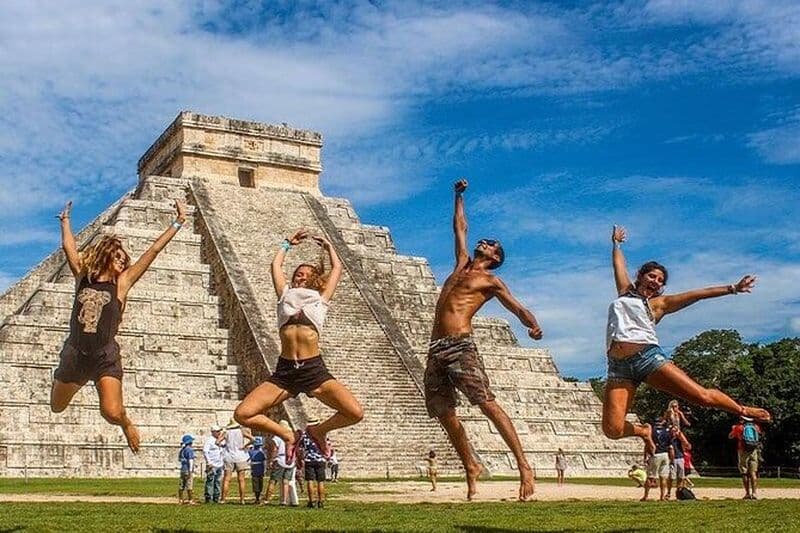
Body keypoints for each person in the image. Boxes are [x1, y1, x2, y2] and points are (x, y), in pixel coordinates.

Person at [602, 225, 771, 453]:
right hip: (618, 368)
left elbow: (697, 295)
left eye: (660, 280)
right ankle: (644, 430)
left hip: (648, 359)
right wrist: (617, 244)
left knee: (701, 396)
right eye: (652, 276)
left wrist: (732, 288)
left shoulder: (659, 304)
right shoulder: (625, 293)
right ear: (641, 276)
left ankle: (742, 409)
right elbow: (618, 265)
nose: (655, 281)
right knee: (612, 430)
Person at [424, 179, 543, 502]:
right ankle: (470, 465)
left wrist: (532, 327)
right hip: (435, 349)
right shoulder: (461, 263)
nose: (484, 241)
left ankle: (524, 466)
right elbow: (459, 227)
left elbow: (517, 306)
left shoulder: (490, 281)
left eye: (491, 244)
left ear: (496, 257)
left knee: (487, 404)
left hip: (460, 346)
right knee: (444, 413)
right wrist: (458, 196)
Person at [51, 199, 187, 452]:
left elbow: (153, 252)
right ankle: (69, 378)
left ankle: (127, 423)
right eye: (118, 257)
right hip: (75, 354)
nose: (123, 262)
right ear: (105, 256)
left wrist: (178, 222)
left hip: (105, 356)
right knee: (56, 406)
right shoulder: (83, 277)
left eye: (124, 259)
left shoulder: (122, 284)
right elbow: (69, 248)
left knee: (111, 412)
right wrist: (65, 222)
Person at [233, 230, 364, 457]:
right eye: (298, 274)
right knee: (243, 413)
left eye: (306, 274)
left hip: (313, 369)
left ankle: (318, 431)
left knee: (355, 412)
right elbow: (275, 266)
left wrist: (328, 247)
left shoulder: (321, 299)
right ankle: (289, 435)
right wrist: (287, 244)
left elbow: (337, 269)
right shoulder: (285, 295)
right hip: (285, 372)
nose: (300, 277)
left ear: (315, 280)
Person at [729, 416, 762, 499]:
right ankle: (754, 493)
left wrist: (733, 429)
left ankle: (747, 493)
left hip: (743, 450)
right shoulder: (756, 427)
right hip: (753, 450)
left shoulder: (739, 427)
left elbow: (730, 436)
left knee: (744, 472)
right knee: (753, 472)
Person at [220, 419, 252, 504]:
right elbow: (253, 439)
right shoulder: (242, 431)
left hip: (229, 456)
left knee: (227, 479)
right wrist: (245, 446)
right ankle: (242, 499)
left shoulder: (226, 432)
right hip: (240, 456)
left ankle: (223, 499)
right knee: (241, 479)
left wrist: (224, 446)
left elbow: (217, 441)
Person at [265, 420, 296, 505]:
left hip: (280, 459)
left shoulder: (277, 438)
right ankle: (284, 500)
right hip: (290, 461)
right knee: (286, 481)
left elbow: (274, 450)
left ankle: (267, 499)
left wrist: (271, 460)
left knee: (273, 480)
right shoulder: (292, 437)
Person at [298, 422, 328, 508]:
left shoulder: (305, 435)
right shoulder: (322, 434)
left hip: (309, 460)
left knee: (310, 480)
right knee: (320, 481)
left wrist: (300, 459)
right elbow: (327, 445)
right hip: (320, 459)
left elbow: (300, 448)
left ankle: (312, 501)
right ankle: (321, 501)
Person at [642, 419, 671, 501]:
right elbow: (670, 446)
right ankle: (662, 496)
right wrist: (671, 459)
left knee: (650, 476)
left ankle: (646, 496)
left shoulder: (651, 432)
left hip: (655, 454)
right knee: (663, 477)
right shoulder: (666, 432)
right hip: (665, 454)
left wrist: (645, 457)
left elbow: (647, 445)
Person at [667, 424, 691, 499]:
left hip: (680, 458)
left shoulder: (679, 440)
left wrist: (681, 437)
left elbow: (688, 446)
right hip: (672, 459)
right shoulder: (668, 439)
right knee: (671, 477)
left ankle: (679, 492)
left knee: (681, 477)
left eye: (676, 431)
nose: (675, 432)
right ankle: (668, 492)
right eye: (673, 431)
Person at [203, 424, 225, 503]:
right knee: (210, 481)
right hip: (212, 464)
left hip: (219, 464)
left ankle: (216, 497)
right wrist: (209, 462)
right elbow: (205, 451)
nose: (219, 433)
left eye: (220, 431)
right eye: (218, 431)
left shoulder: (220, 440)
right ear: (213, 432)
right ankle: (208, 498)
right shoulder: (209, 440)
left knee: (218, 481)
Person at [178, 434, 197, 505]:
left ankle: (180, 499)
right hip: (188, 469)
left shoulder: (182, 450)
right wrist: (190, 471)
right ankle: (190, 500)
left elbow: (179, 459)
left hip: (182, 469)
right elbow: (190, 460)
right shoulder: (189, 450)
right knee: (189, 485)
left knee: (181, 485)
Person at [248, 436, 267, 504]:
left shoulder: (251, 451)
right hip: (260, 468)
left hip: (255, 468)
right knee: (259, 482)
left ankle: (257, 497)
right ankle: (258, 496)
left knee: (256, 482)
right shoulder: (262, 452)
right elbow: (264, 460)